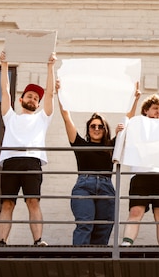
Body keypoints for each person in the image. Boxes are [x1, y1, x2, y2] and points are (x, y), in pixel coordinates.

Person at [56, 81, 140, 245]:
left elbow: (128, 119)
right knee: (85, 223)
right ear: (88, 128)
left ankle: (96, 262)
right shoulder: (79, 143)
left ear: (105, 129)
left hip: (106, 187)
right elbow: (66, 117)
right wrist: (60, 94)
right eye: (93, 126)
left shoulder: (111, 146)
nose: (96, 128)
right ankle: (79, 260)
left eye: (100, 126)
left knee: (104, 226)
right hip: (84, 186)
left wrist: (135, 99)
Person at [0, 50, 55, 247]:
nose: (33, 99)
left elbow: (51, 93)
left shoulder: (42, 118)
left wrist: (50, 66)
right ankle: (2, 241)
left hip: (32, 161)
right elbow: (5, 91)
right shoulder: (10, 117)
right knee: (7, 203)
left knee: (33, 201)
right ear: (21, 100)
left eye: (36, 98)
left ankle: (38, 240)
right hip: (11, 161)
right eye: (29, 96)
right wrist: (4, 65)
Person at [120, 94, 159, 246]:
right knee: (136, 211)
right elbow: (127, 120)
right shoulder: (138, 125)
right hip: (140, 173)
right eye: (155, 108)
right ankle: (127, 243)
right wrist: (135, 99)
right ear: (146, 110)